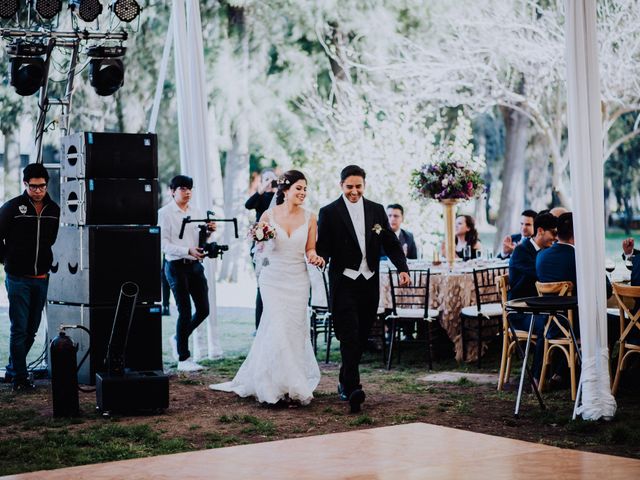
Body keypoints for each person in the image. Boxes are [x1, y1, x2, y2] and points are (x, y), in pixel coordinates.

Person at [210, 170, 324, 405]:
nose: (303, 193)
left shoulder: (311, 217)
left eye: (305, 189)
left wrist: (315, 257)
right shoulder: (268, 215)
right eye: (298, 188)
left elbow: (310, 249)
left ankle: (289, 381)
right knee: (278, 326)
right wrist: (261, 242)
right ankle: (275, 385)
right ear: (285, 190)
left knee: (294, 329)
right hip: (272, 279)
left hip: (298, 280)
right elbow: (258, 250)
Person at [316, 165, 410, 413]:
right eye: (349, 187)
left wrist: (402, 268)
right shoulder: (329, 212)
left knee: (362, 333)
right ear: (341, 186)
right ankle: (352, 387)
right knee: (349, 334)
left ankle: (343, 380)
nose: (354, 191)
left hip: (369, 283)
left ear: (364, 185)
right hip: (344, 282)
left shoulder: (377, 210)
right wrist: (320, 258)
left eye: (358, 186)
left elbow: (390, 243)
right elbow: (323, 245)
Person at [0, 163, 60, 391]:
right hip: (17, 278)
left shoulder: (54, 209)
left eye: (42, 186)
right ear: (25, 184)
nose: (38, 191)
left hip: (42, 277)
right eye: (33, 186)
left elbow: (50, 240)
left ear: (47, 185)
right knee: (19, 328)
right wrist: (7, 260)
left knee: (32, 329)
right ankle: (20, 379)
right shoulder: (12, 208)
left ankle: (14, 368)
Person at [158, 175, 216, 372]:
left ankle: (177, 338)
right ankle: (184, 358)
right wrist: (186, 251)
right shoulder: (165, 213)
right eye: (182, 188)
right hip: (175, 267)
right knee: (184, 311)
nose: (187, 192)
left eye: (190, 188)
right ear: (172, 191)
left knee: (204, 310)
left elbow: (199, 240)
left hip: (195, 266)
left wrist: (208, 232)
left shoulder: (196, 211)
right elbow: (163, 244)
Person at [508, 212, 557, 382]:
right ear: (541, 231)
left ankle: (559, 373)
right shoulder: (522, 251)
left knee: (560, 321)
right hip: (520, 311)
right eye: (554, 233)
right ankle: (537, 378)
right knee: (548, 325)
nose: (556, 238)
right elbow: (542, 276)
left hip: (539, 308)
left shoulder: (547, 251)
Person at [245, 170, 278, 331]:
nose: (270, 182)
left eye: (273, 179)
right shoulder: (260, 198)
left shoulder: (281, 198)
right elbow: (248, 205)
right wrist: (262, 189)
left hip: (278, 247)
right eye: (267, 179)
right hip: (261, 248)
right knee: (262, 285)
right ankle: (259, 326)